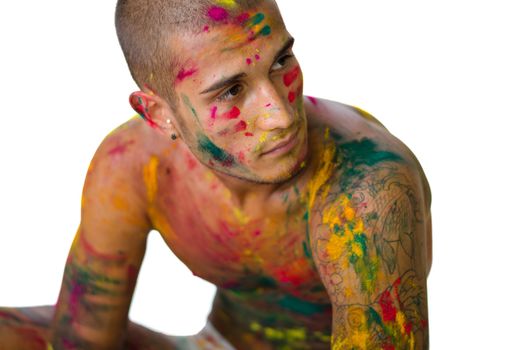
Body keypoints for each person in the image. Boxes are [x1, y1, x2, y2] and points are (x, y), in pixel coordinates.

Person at [0, 0, 432, 349]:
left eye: (281, 61)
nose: (279, 115)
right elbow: (83, 339)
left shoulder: (366, 190)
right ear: (158, 113)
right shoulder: (134, 164)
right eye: (231, 90)